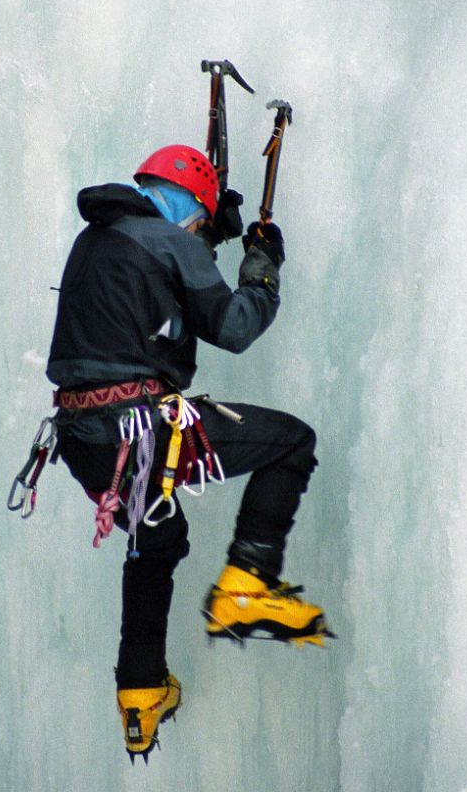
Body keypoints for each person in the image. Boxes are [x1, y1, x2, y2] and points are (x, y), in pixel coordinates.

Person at [45, 144, 331, 762]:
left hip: (83, 440)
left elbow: (158, 285)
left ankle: (141, 692)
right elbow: (232, 325)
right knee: (291, 443)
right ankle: (247, 585)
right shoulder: (167, 241)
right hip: (141, 431)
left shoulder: (95, 240)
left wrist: (203, 240)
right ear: (187, 210)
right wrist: (261, 264)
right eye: (201, 223)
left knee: (159, 539)